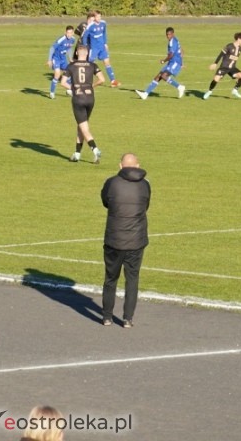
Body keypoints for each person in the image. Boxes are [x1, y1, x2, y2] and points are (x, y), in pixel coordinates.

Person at [100, 152, 150, 328]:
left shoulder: (111, 183)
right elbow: (146, 206)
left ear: (120, 166)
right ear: (137, 166)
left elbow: (105, 202)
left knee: (110, 278)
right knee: (132, 279)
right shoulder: (145, 185)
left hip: (114, 239)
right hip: (136, 240)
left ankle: (107, 317)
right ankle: (127, 318)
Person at [64, 45, 104, 164]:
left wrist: (73, 88)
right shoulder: (92, 65)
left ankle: (95, 150)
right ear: (87, 53)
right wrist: (92, 86)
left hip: (78, 99)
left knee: (84, 128)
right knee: (81, 126)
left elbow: (63, 82)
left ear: (76, 52)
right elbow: (102, 79)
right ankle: (77, 154)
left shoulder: (71, 66)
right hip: (90, 98)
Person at [135, 27, 185, 100]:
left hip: (175, 63)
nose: (168, 36)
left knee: (164, 76)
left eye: (170, 34)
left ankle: (180, 87)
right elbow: (181, 50)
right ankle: (145, 94)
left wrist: (163, 61)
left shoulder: (172, 42)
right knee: (158, 76)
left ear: (173, 34)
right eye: (167, 35)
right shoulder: (175, 39)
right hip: (172, 62)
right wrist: (182, 61)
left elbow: (171, 55)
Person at [203, 32, 241, 100]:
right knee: (216, 79)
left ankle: (235, 90)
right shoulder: (229, 46)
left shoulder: (240, 49)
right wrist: (215, 63)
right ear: (239, 39)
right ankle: (209, 91)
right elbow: (221, 54)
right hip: (224, 67)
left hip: (232, 68)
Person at [81, 10, 119, 87]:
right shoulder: (90, 26)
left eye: (100, 16)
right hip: (94, 48)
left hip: (102, 47)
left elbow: (104, 33)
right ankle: (84, 80)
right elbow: (84, 36)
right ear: (94, 17)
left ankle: (113, 81)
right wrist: (85, 46)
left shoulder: (103, 23)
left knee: (107, 62)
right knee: (89, 64)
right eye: (97, 16)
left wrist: (105, 43)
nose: (99, 18)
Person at [46, 25, 75, 99]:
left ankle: (69, 90)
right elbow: (52, 48)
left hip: (63, 59)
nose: (69, 34)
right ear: (65, 32)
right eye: (67, 33)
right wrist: (49, 59)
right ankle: (52, 93)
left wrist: (70, 58)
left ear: (73, 33)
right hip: (56, 58)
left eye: (70, 33)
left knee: (70, 72)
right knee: (57, 74)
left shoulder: (72, 39)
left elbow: (69, 48)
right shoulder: (61, 39)